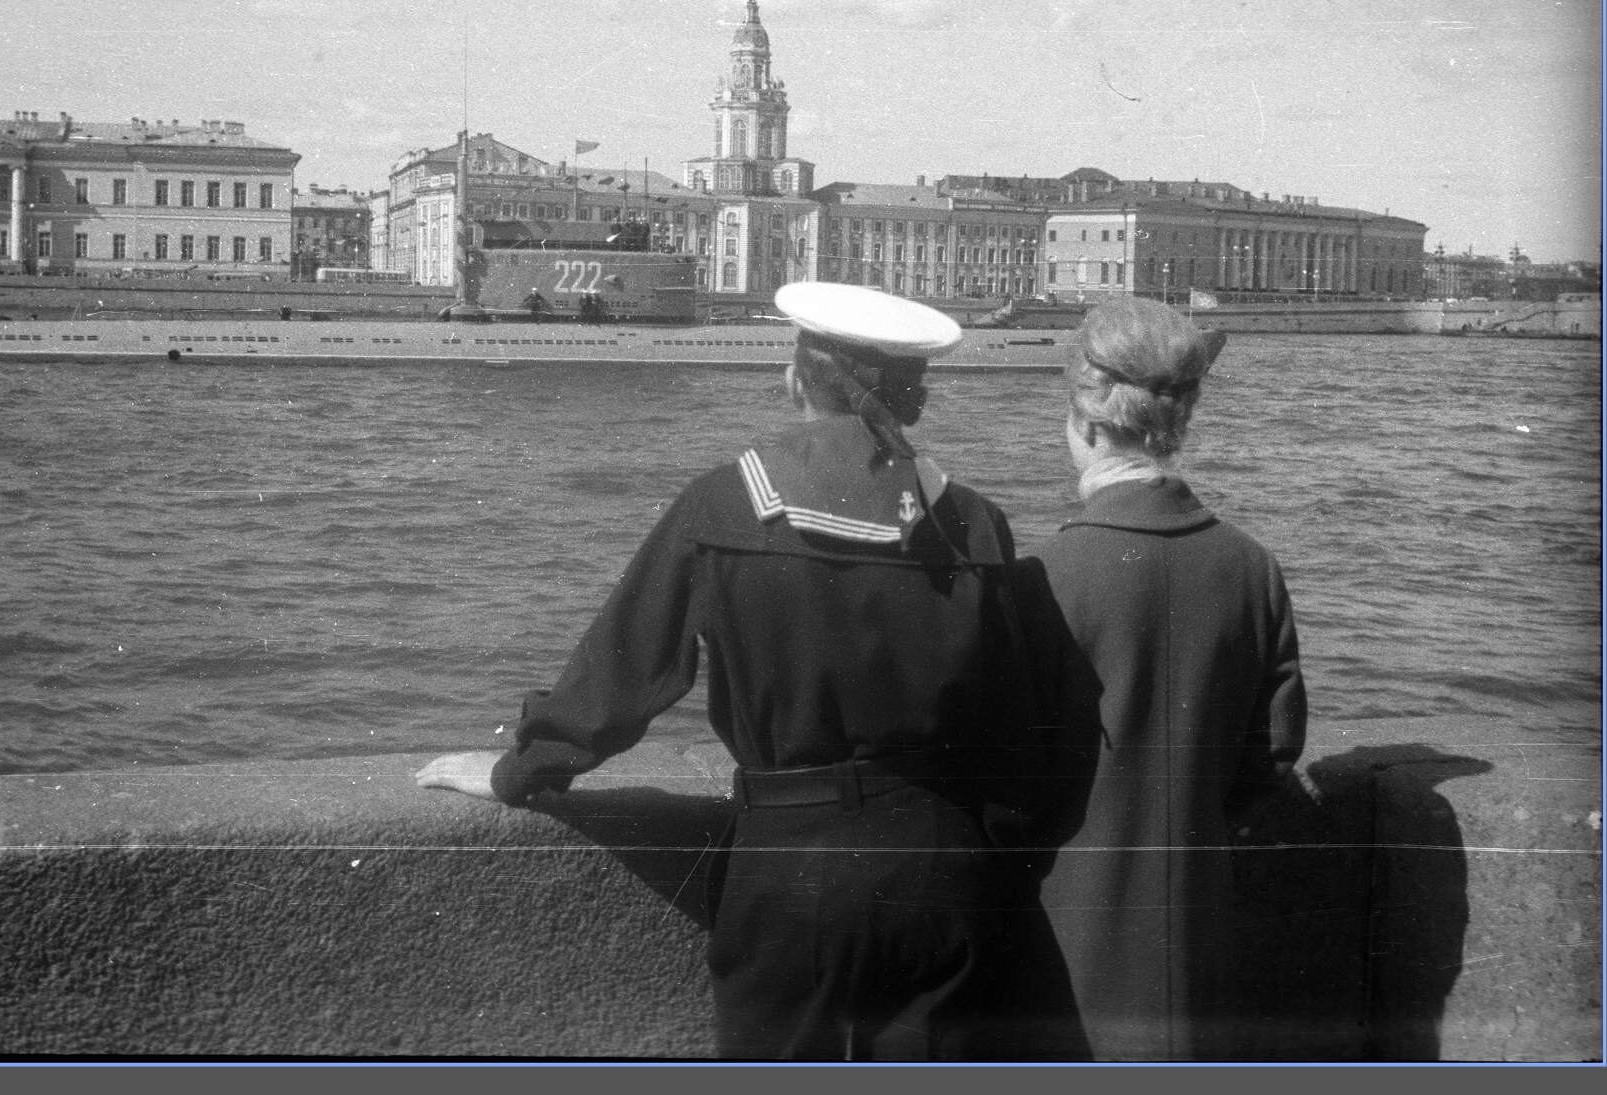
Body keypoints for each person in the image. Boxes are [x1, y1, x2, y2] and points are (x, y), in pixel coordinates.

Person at [418, 281, 1064, 1060]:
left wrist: (518, 770)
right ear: (912, 396)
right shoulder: (975, 522)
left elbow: (622, 677)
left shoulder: (723, 505)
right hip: (943, 865)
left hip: (790, 862)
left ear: (796, 379)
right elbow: (1018, 733)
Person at [1025, 295, 1307, 1061]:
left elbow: (1003, 783)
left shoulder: (1042, 576)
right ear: (1179, 421)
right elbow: (1271, 756)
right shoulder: (1251, 567)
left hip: (1065, 943)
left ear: (1085, 423)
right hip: (1199, 934)